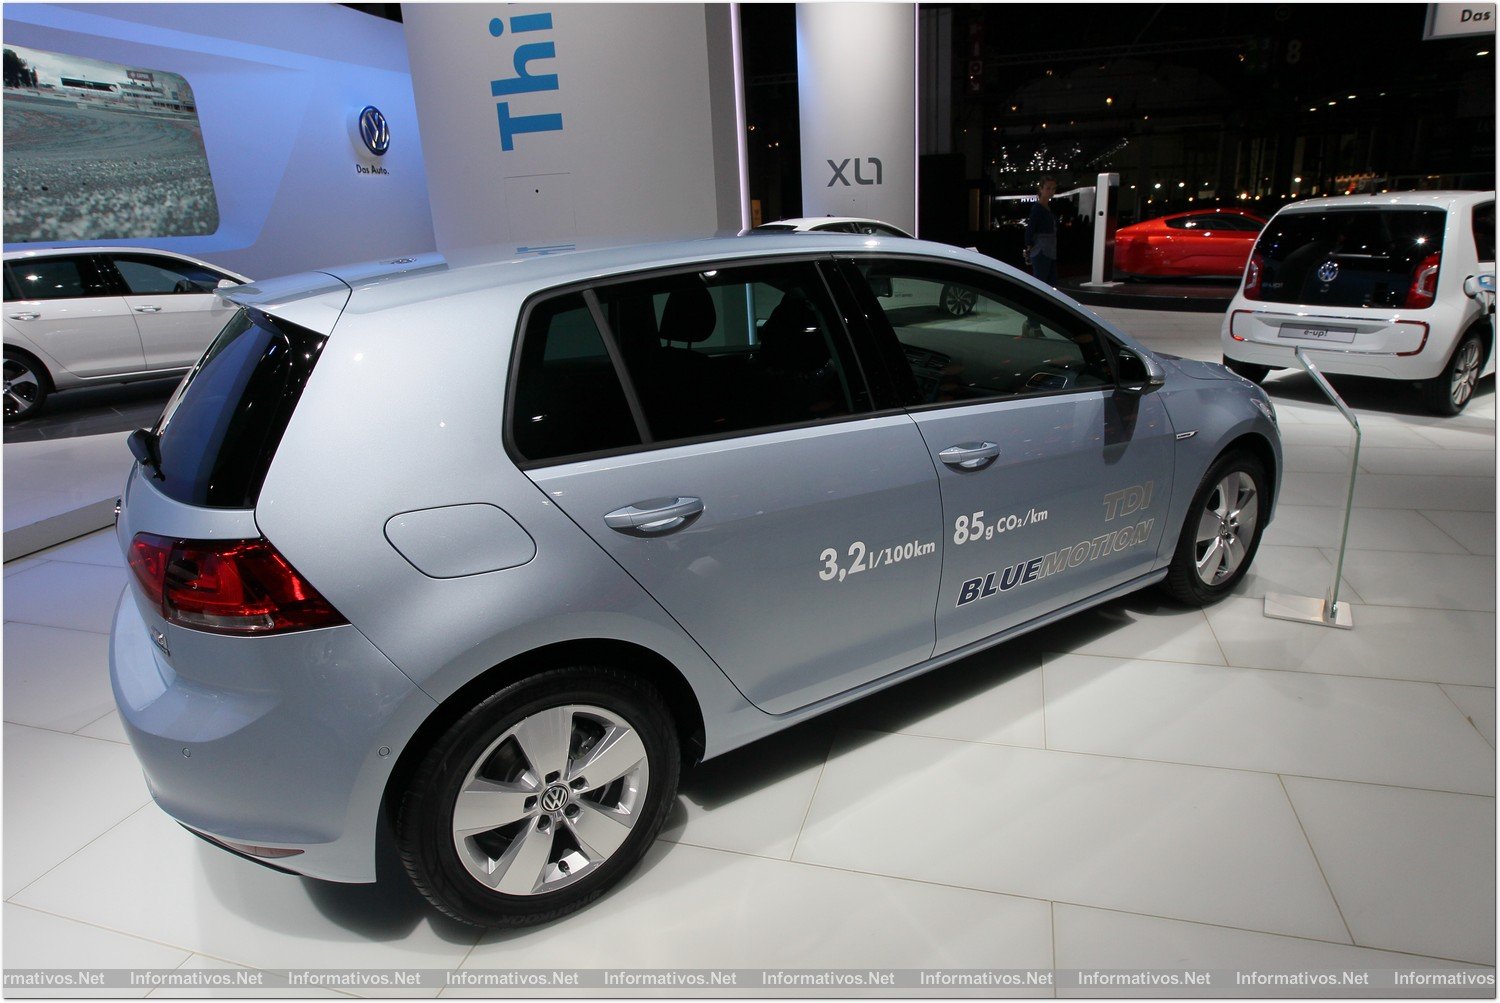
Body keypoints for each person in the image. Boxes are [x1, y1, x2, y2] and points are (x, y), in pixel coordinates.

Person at [1025, 175, 1059, 285]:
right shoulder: (1037, 208)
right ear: (1041, 189)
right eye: (1048, 188)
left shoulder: (1047, 208)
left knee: (1050, 282)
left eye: (1053, 189)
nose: (1051, 191)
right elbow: (1030, 229)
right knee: (1041, 282)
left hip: (1050, 249)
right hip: (1041, 249)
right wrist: (1029, 246)